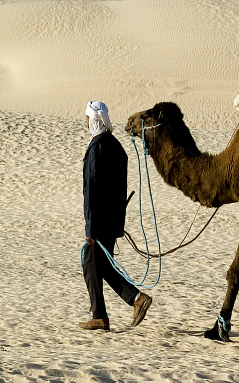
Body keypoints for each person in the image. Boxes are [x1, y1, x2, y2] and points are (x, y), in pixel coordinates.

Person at [80, 101, 153, 331]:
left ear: (94, 120)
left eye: (87, 118)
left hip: (100, 222)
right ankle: (133, 301)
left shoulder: (96, 148)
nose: (86, 122)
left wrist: (90, 227)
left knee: (91, 264)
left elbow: (91, 189)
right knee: (101, 266)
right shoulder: (116, 147)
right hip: (112, 220)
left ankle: (105, 314)